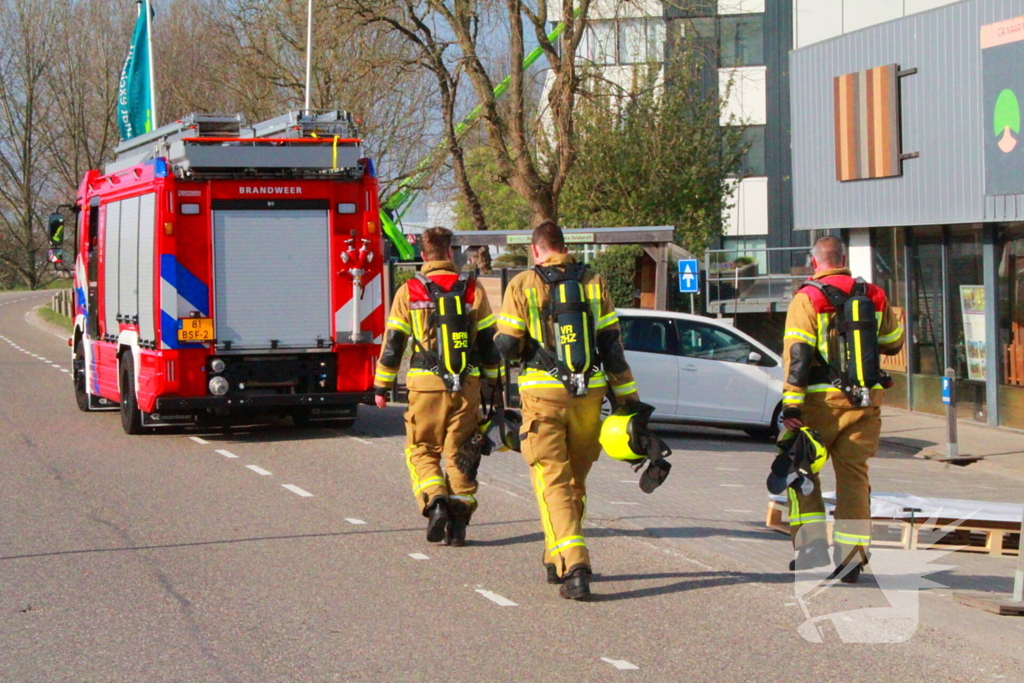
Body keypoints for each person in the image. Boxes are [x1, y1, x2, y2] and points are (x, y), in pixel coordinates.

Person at [495, 221, 641, 600]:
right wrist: (629, 401)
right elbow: (612, 347)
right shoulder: (595, 281)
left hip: (543, 394)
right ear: (564, 246)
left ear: (536, 249)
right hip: (590, 394)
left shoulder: (523, 284)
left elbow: (509, 346)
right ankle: (554, 555)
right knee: (575, 482)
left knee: (551, 481)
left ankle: (575, 562)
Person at [780, 235, 904, 582]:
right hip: (864, 403)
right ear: (844, 258)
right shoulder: (874, 295)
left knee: (801, 472)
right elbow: (893, 343)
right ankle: (851, 560)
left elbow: (798, 356)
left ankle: (810, 551)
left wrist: (792, 403)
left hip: (819, 404)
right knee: (853, 479)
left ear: (813, 261)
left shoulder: (807, 298)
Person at [374, 227, 501, 546]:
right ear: (450, 253)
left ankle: (435, 500)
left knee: (422, 449)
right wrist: (492, 379)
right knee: (462, 454)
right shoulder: (472, 289)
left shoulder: (411, 290)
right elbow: (488, 342)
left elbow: (394, 343)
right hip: (466, 383)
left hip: (425, 384)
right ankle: (458, 527)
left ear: (423, 255)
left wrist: (381, 385)